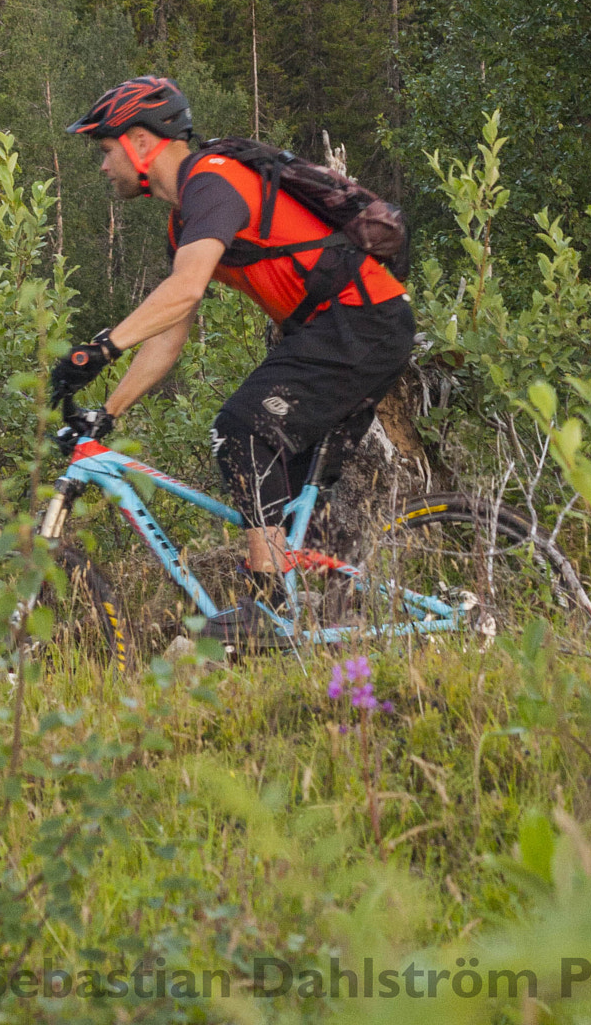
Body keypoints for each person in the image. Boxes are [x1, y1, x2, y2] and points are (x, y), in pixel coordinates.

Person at [53, 74, 415, 647]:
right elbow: (169, 334)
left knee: (242, 429)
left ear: (141, 143)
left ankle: (268, 607)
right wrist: (109, 412)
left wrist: (99, 348)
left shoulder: (214, 183)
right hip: (335, 329)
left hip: (361, 322)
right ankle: (312, 621)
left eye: (105, 150)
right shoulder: (186, 218)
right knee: (289, 497)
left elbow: (185, 290)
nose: (102, 166)